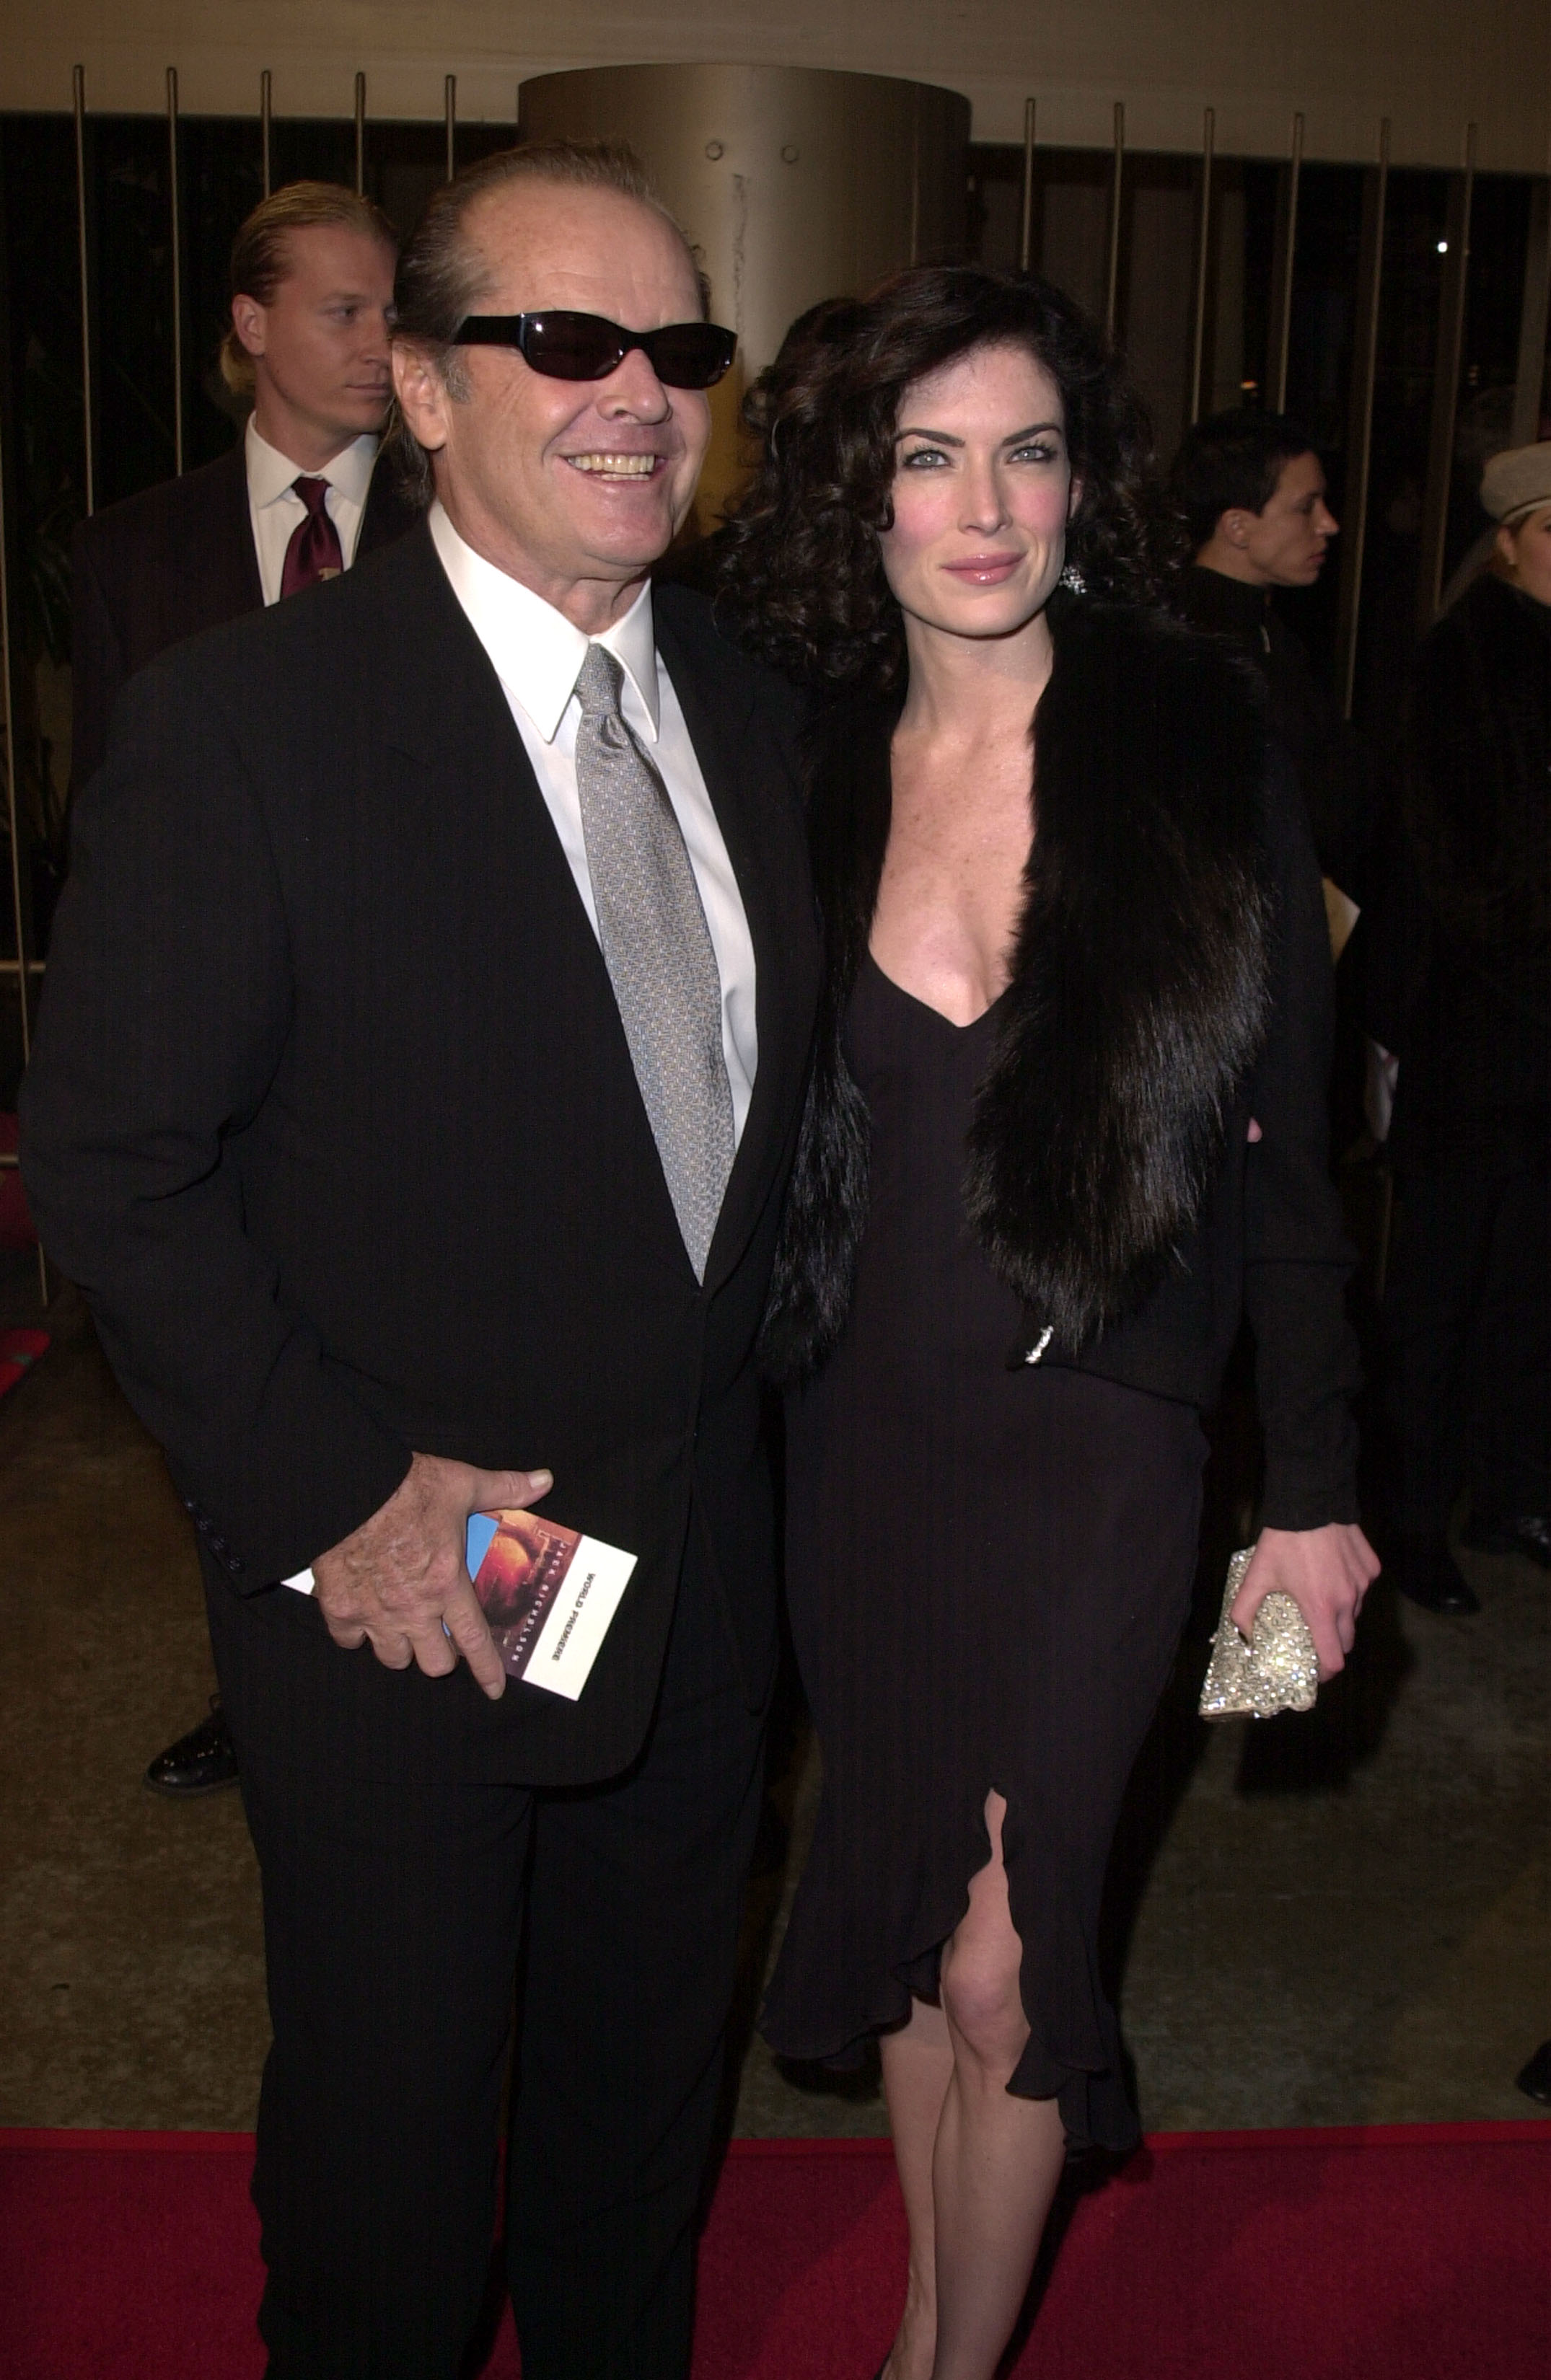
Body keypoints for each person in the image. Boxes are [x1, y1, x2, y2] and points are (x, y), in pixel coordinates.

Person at [23, 138, 818, 2379]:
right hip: (412, 1580)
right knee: (387, 2155)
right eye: (563, 339)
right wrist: (347, 1499)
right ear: (427, 389)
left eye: (675, 345)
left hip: (694, 1593)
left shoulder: (755, 717)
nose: (634, 391)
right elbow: (109, 1156)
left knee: (633, 2132)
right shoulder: (248, 725)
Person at [720, 268, 1376, 2380]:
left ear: (1079, 480)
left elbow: (1285, 1158)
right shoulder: (799, 763)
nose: (979, 504)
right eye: (925, 456)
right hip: (859, 1444)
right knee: (920, 1923)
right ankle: (932, 2305)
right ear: (859, 496)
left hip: (1096, 1439)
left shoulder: (1191, 752)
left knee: (1013, 1962)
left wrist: (1313, 1495)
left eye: (1022, 449)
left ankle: (939, 2365)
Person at [68, 180, 419, 1798]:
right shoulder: (137, 552)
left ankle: (417, 1656)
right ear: (251, 325)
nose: (375, 342)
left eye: (391, 310)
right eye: (341, 311)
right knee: (227, 1380)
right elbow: (105, 820)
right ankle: (265, 1687)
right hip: (214, 1068)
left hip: (407, 1063)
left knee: (401, 1389)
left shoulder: (454, 528)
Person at [1362, 441, 1551, 1614]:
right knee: (1436, 1291)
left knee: (1533, 1285)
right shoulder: (1461, 663)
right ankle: (1407, 1517)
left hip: (1535, 1035)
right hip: (1478, 1038)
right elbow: (1448, 868)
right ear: (1516, 537)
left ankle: (1515, 1489)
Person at [1170, 408, 1369, 896]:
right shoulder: (1194, 646)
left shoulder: (1266, 627)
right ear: (1237, 527)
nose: (1328, 524)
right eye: (1306, 507)